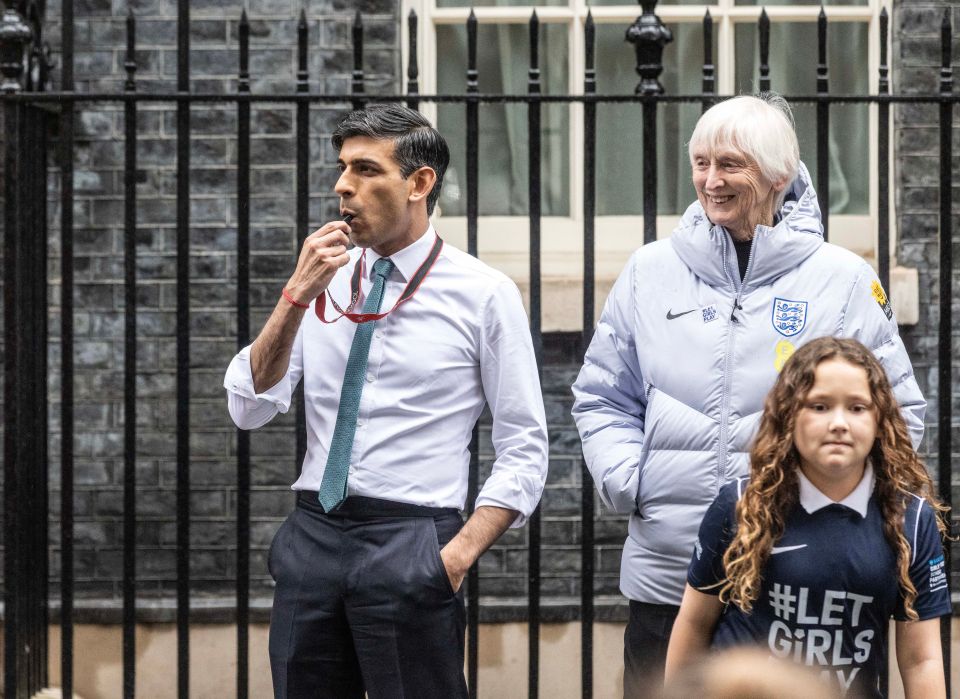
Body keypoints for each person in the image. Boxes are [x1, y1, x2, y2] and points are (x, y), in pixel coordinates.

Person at [571, 94, 925, 696]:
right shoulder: (650, 269)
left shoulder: (842, 279)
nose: (711, 181)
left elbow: (899, 415)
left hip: (795, 588)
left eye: (730, 164)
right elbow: (602, 397)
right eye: (701, 162)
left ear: (778, 175)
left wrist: (838, 523)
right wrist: (634, 482)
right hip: (669, 567)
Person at [224, 104, 548, 699]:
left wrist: (452, 558)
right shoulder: (322, 280)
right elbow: (249, 406)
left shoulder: (484, 294)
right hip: (314, 539)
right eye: (343, 167)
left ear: (419, 183)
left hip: (413, 541)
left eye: (366, 169)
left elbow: (525, 447)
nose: (342, 186)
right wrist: (295, 296)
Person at [665, 337, 949, 698]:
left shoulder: (912, 519)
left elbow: (920, 660)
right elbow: (693, 624)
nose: (839, 423)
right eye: (819, 406)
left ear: (881, 421)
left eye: (858, 408)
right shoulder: (741, 504)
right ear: (788, 416)